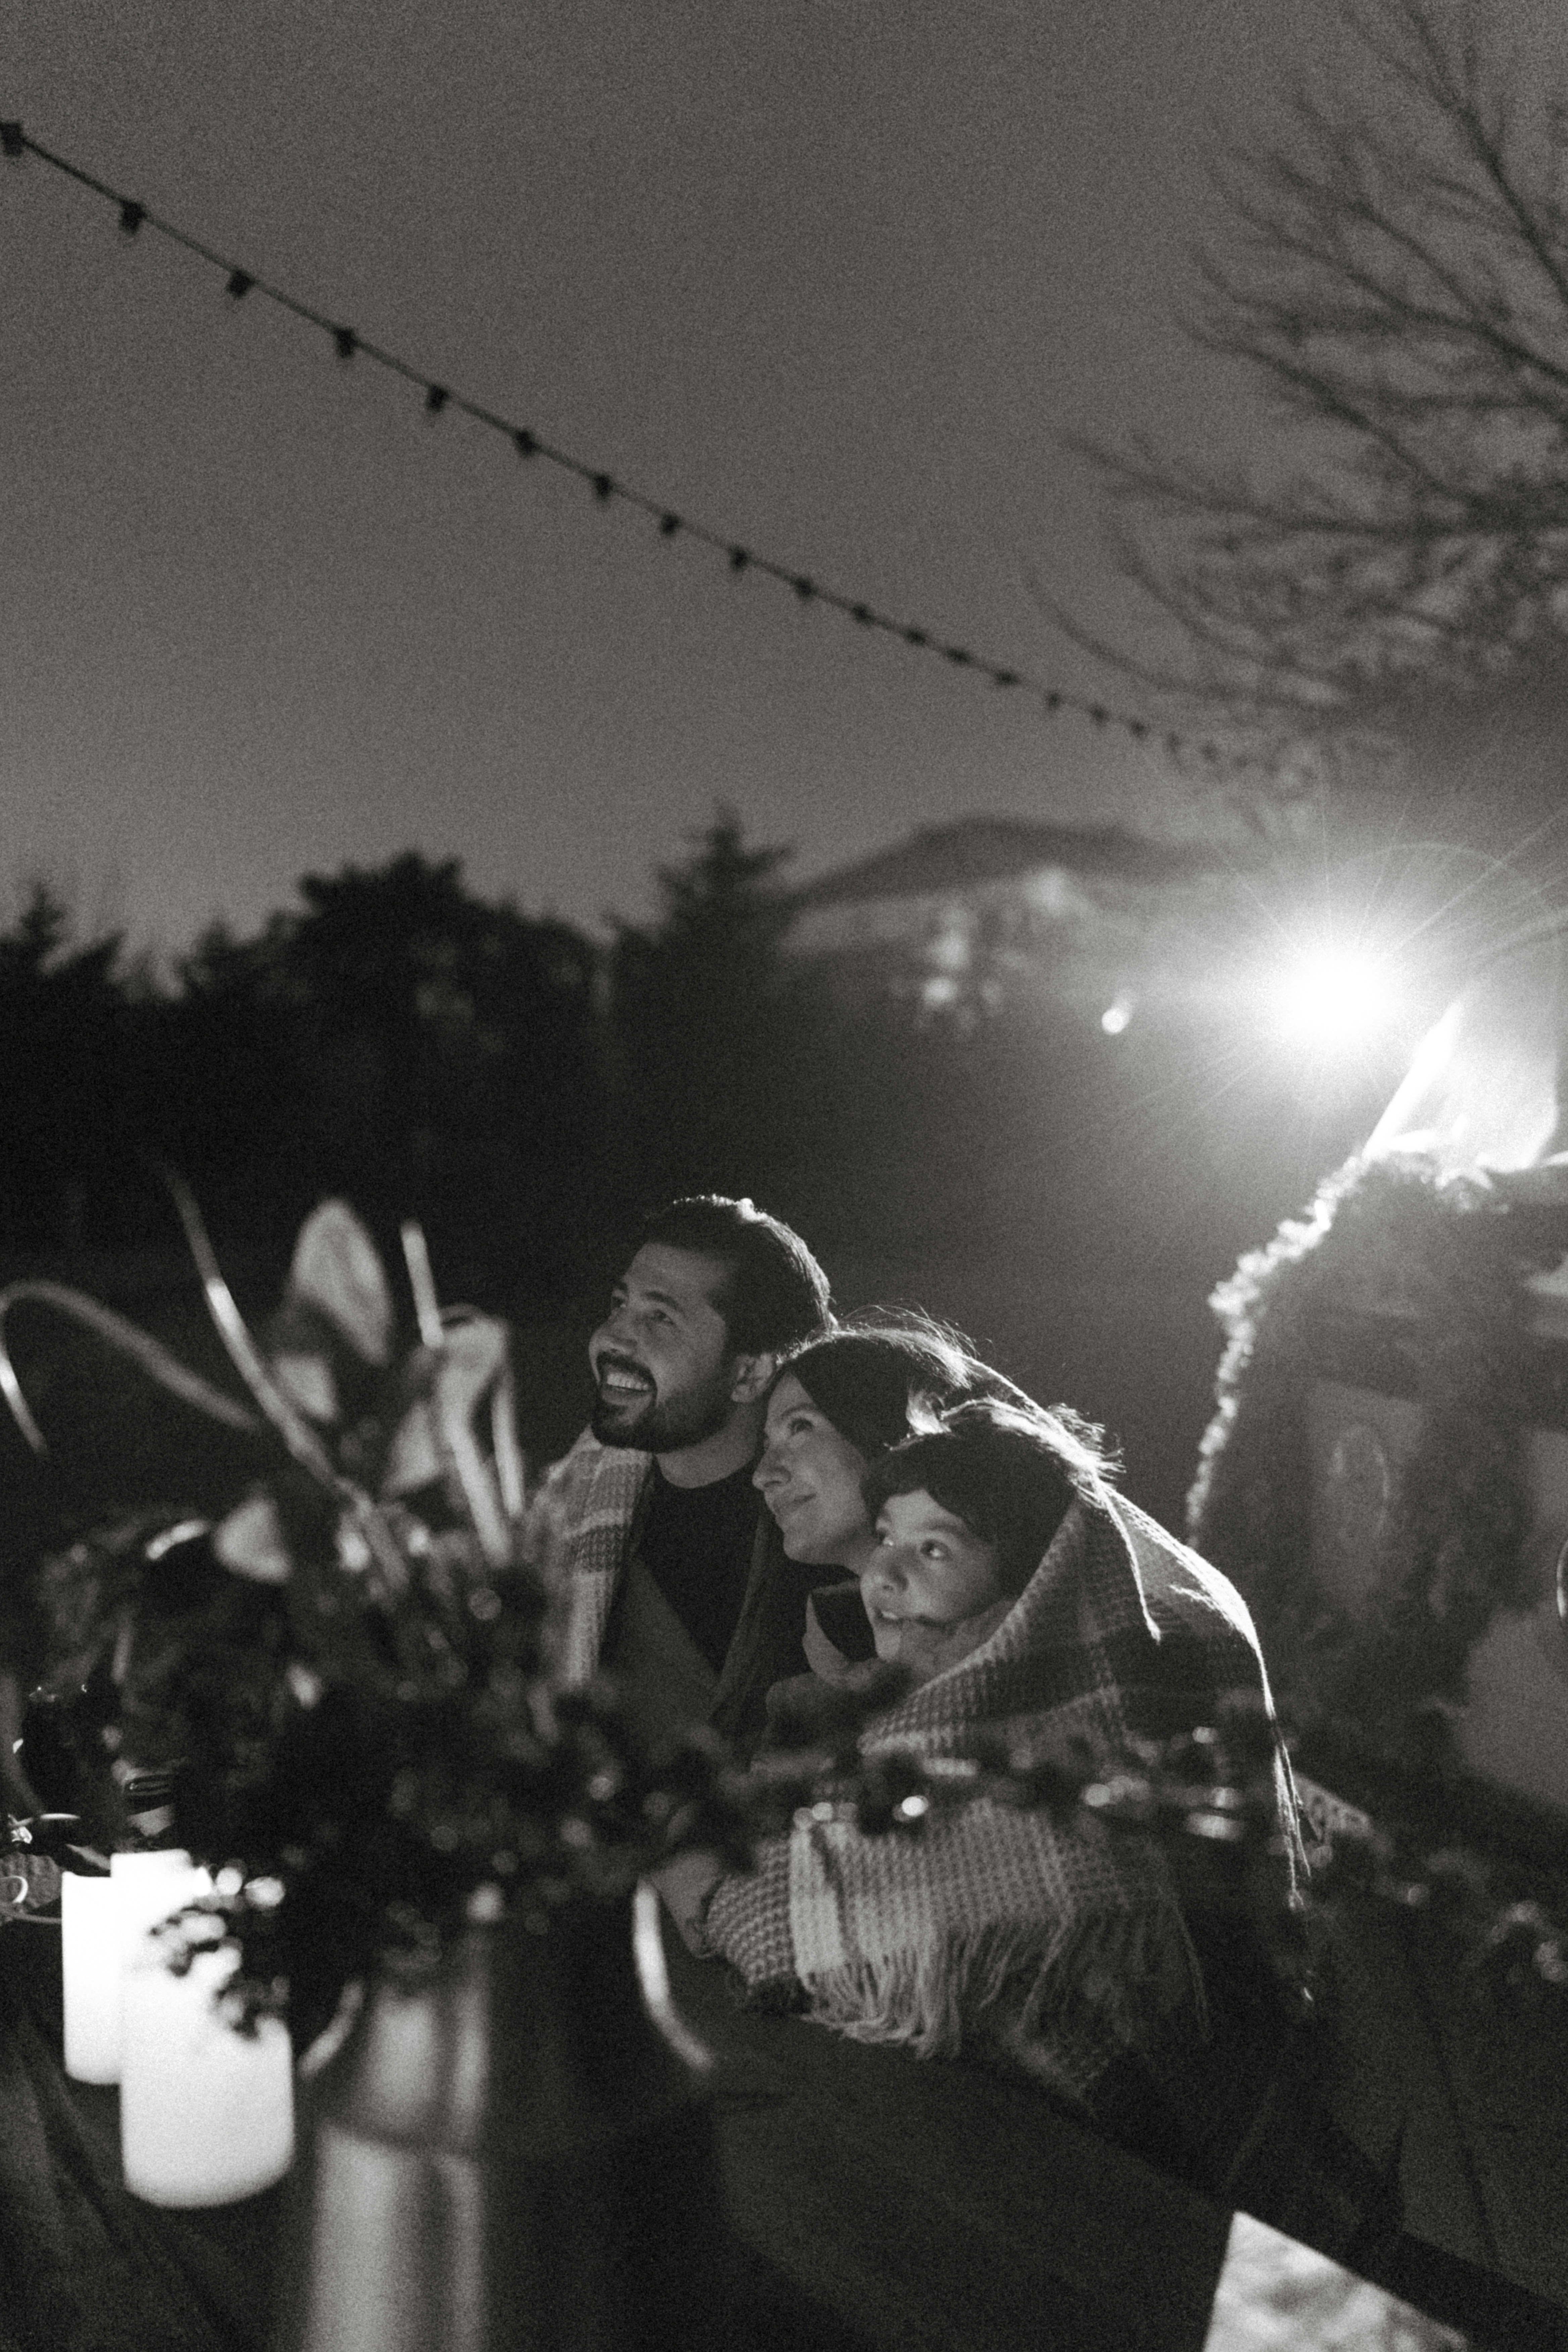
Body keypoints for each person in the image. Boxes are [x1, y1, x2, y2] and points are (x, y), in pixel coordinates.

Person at [671, 1393, 1305, 2134]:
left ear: (1033, 1581)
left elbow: (784, 1930)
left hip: (1116, 2169)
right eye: (884, 1537)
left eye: (933, 1550)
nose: (883, 1574)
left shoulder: (1058, 1737)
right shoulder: (940, 1695)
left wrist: (706, 1884)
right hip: (1005, 2120)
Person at [528, 1194, 832, 1756]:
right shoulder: (576, 1501)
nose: (612, 1339)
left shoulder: (822, 1542)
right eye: (620, 1304)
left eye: (660, 1317)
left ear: (750, 1373)